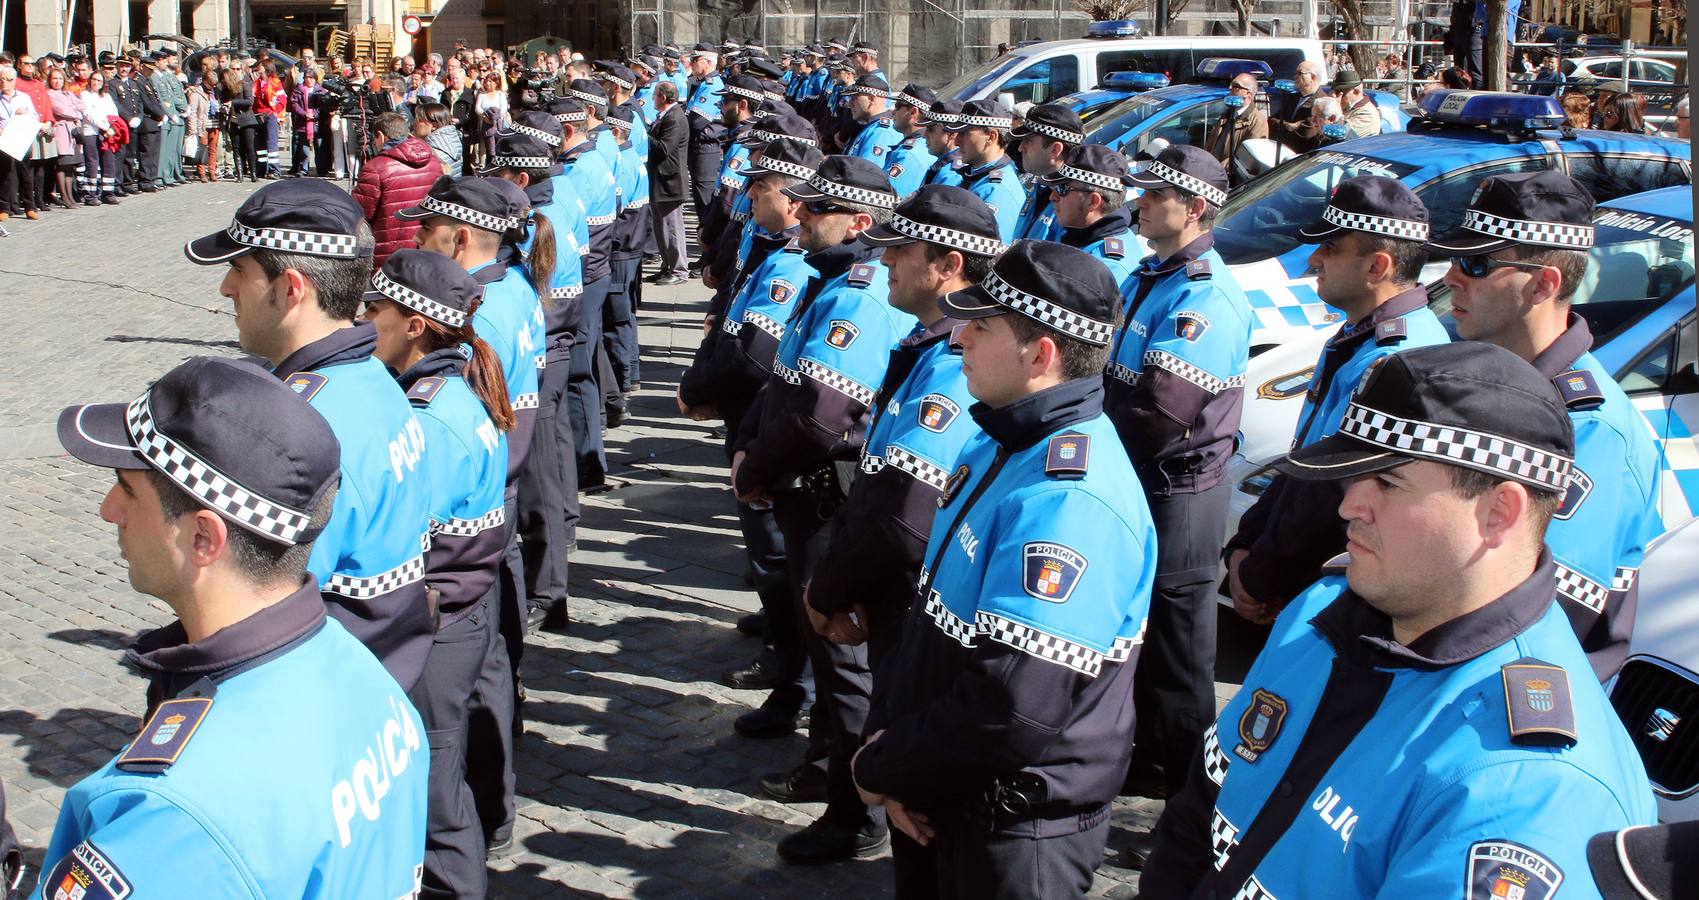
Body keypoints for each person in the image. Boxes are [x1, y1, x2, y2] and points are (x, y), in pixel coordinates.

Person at [1138, 341, 1657, 899]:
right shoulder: (1320, 611)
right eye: (1353, 477)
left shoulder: (1531, 783)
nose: (1348, 507)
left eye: (1387, 483)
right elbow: (1200, 812)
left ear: (1498, 512)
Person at [43, 355, 429, 897]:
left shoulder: (175, 812)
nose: (109, 510)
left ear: (203, 538)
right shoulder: (362, 672)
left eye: (126, 489)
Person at [852, 239, 1157, 898]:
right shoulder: (999, 438)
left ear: (1040, 354)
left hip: (1011, 830)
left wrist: (885, 765)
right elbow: (932, 621)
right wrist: (897, 753)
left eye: (981, 326)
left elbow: (1012, 706)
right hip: (947, 788)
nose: (957, 337)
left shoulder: (1069, 500)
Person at [730, 156, 914, 864]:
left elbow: (819, 418)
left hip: (827, 495)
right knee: (828, 653)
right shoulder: (832, 280)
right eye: (802, 204)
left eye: (818, 208)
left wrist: (758, 465)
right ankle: (827, 766)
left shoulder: (858, 296)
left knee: (842, 659)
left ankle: (854, 812)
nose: (800, 214)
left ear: (860, 222)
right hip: (805, 489)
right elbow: (784, 387)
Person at [183, 180, 435, 692]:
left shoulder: (297, 425)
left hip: (323, 684)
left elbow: (259, 609)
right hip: (387, 665)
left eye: (239, 270)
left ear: (290, 289)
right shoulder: (376, 380)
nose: (226, 288)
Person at [1430, 170, 1664, 681]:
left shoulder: (1591, 430)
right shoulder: (1494, 381)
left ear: (1543, 284)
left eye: (1476, 263)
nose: (1451, 278)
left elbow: (1537, 616)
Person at [1225, 176, 1450, 627]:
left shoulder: (1397, 360)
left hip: (1338, 594)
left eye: (1330, 248)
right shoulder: (1358, 337)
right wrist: (1244, 545)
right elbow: (1303, 463)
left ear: (1377, 266)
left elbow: (1330, 494)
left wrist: (1261, 574)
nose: (1314, 259)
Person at [400, 175, 546, 858]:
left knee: (465, 684)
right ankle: (493, 805)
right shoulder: (513, 288)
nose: (415, 239)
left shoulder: (475, 316)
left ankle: (473, 818)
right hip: (495, 496)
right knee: (490, 663)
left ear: (459, 239)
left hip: (476, 505)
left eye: (425, 231)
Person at [362, 250, 513, 899]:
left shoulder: (428, 421)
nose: (364, 321)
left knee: (435, 806)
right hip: (464, 608)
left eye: (375, 309)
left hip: (439, 625)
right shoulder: (455, 389)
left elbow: (408, 544)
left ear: (415, 324)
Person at [805, 183, 999, 686]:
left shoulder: (956, 362)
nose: (886, 259)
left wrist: (833, 588)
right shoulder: (929, 342)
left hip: (906, 595)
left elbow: (906, 513)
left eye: (902, 249)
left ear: (950, 264)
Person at [1110, 144, 1253, 804]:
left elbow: (1160, 414)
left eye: (1154, 194)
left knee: (1177, 653)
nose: (1138, 202)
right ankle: (1149, 761)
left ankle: (1191, 798)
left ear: (1194, 207)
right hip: (1144, 480)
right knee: (1142, 637)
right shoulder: (1151, 277)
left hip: (1179, 491)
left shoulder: (1205, 294)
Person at [1048, 144, 1138, 302]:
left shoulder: (1106, 267)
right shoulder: (1080, 233)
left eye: (1062, 189)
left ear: (1092, 202)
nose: (1052, 197)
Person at [354, 111, 446, 267]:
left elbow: (361, 213)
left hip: (389, 250)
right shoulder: (434, 162)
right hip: (425, 244)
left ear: (380, 136)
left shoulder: (375, 168)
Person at [945, 99, 1023, 240]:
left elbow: (982, 247)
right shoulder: (977, 176)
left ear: (991, 137)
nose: (956, 141)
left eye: (964, 133)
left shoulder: (998, 191)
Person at [1008, 102, 1085, 242]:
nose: (1020, 148)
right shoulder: (1040, 186)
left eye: (1028, 141)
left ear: (1055, 149)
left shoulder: (1074, 205)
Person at [647, 80, 690, 284]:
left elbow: (665, 148)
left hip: (670, 182)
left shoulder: (674, 117)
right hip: (661, 180)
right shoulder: (666, 115)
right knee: (661, 228)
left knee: (672, 228)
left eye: (655, 95)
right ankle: (667, 266)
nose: (653, 99)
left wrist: (643, 135)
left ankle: (679, 270)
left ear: (663, 97)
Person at [1207, 72, 1268, 180]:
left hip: (1230, 179)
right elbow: (1210, 143)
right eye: (1231, 84)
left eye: (1236, 86)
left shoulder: (1257, 121)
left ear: (1248, 93)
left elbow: (1247, 157)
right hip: (1212, 173)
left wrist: (1219, 170)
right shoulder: (1228, 113)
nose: (1230, 88)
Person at [0, 65, 43, 220]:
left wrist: (24, 114)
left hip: (21, 139)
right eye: (2, 79)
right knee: (5, 173)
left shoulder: (23, 97)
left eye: (8, 79)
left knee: (25, 173)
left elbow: (35, 116)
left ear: (14, 81)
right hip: (4, 140)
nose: (5, 82)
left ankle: (30, 207)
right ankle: (3, 208)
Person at [882, 83, 938, 200]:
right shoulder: (924, 146)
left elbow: (887, 200)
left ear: (913, 112)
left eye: (898, 106)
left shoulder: (909, 155)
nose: (893, 112)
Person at [79, 69, 122, 202]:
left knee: (108, 161)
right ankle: (90, 194)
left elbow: (114, 113)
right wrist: (105, 126)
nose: (96, 82)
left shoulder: (106, 96)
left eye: (99, 80)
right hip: (90, 131)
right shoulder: (84, 95)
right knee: (92, 162)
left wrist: (112, 128)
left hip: (106, 132)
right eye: (94, 79)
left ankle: (108, 192)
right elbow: (89, 114)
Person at [841, 74, 903, 164]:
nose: (850, 104)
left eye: (855, 99)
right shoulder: (872, 126)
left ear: (871, 99)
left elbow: (866, 170)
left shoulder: (881, 133)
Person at [251, 61, 285, 178]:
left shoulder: (276, 82)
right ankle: (261, 169)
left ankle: (274, 170)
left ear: (266, 68)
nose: (258, 68)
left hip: (270, 115)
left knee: (271, 142)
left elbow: (282, 100)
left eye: (260, 66)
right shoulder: (256, 83)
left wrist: (275, 113)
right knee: (259, 143)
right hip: (258, 115)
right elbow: (254, 100)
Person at [1331, 69, 1381, 139]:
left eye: (1340, 93)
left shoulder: (1367, 113)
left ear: (1356, 92)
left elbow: (1338, 134)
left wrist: (1336, 109)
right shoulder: (1348, 107)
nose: (1335, 96)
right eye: (1335, 92)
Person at [420, 101, 463, 173]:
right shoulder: (450, 144)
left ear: (433, 125)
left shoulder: (434, 153)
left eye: (419, 120)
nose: (414, 123)